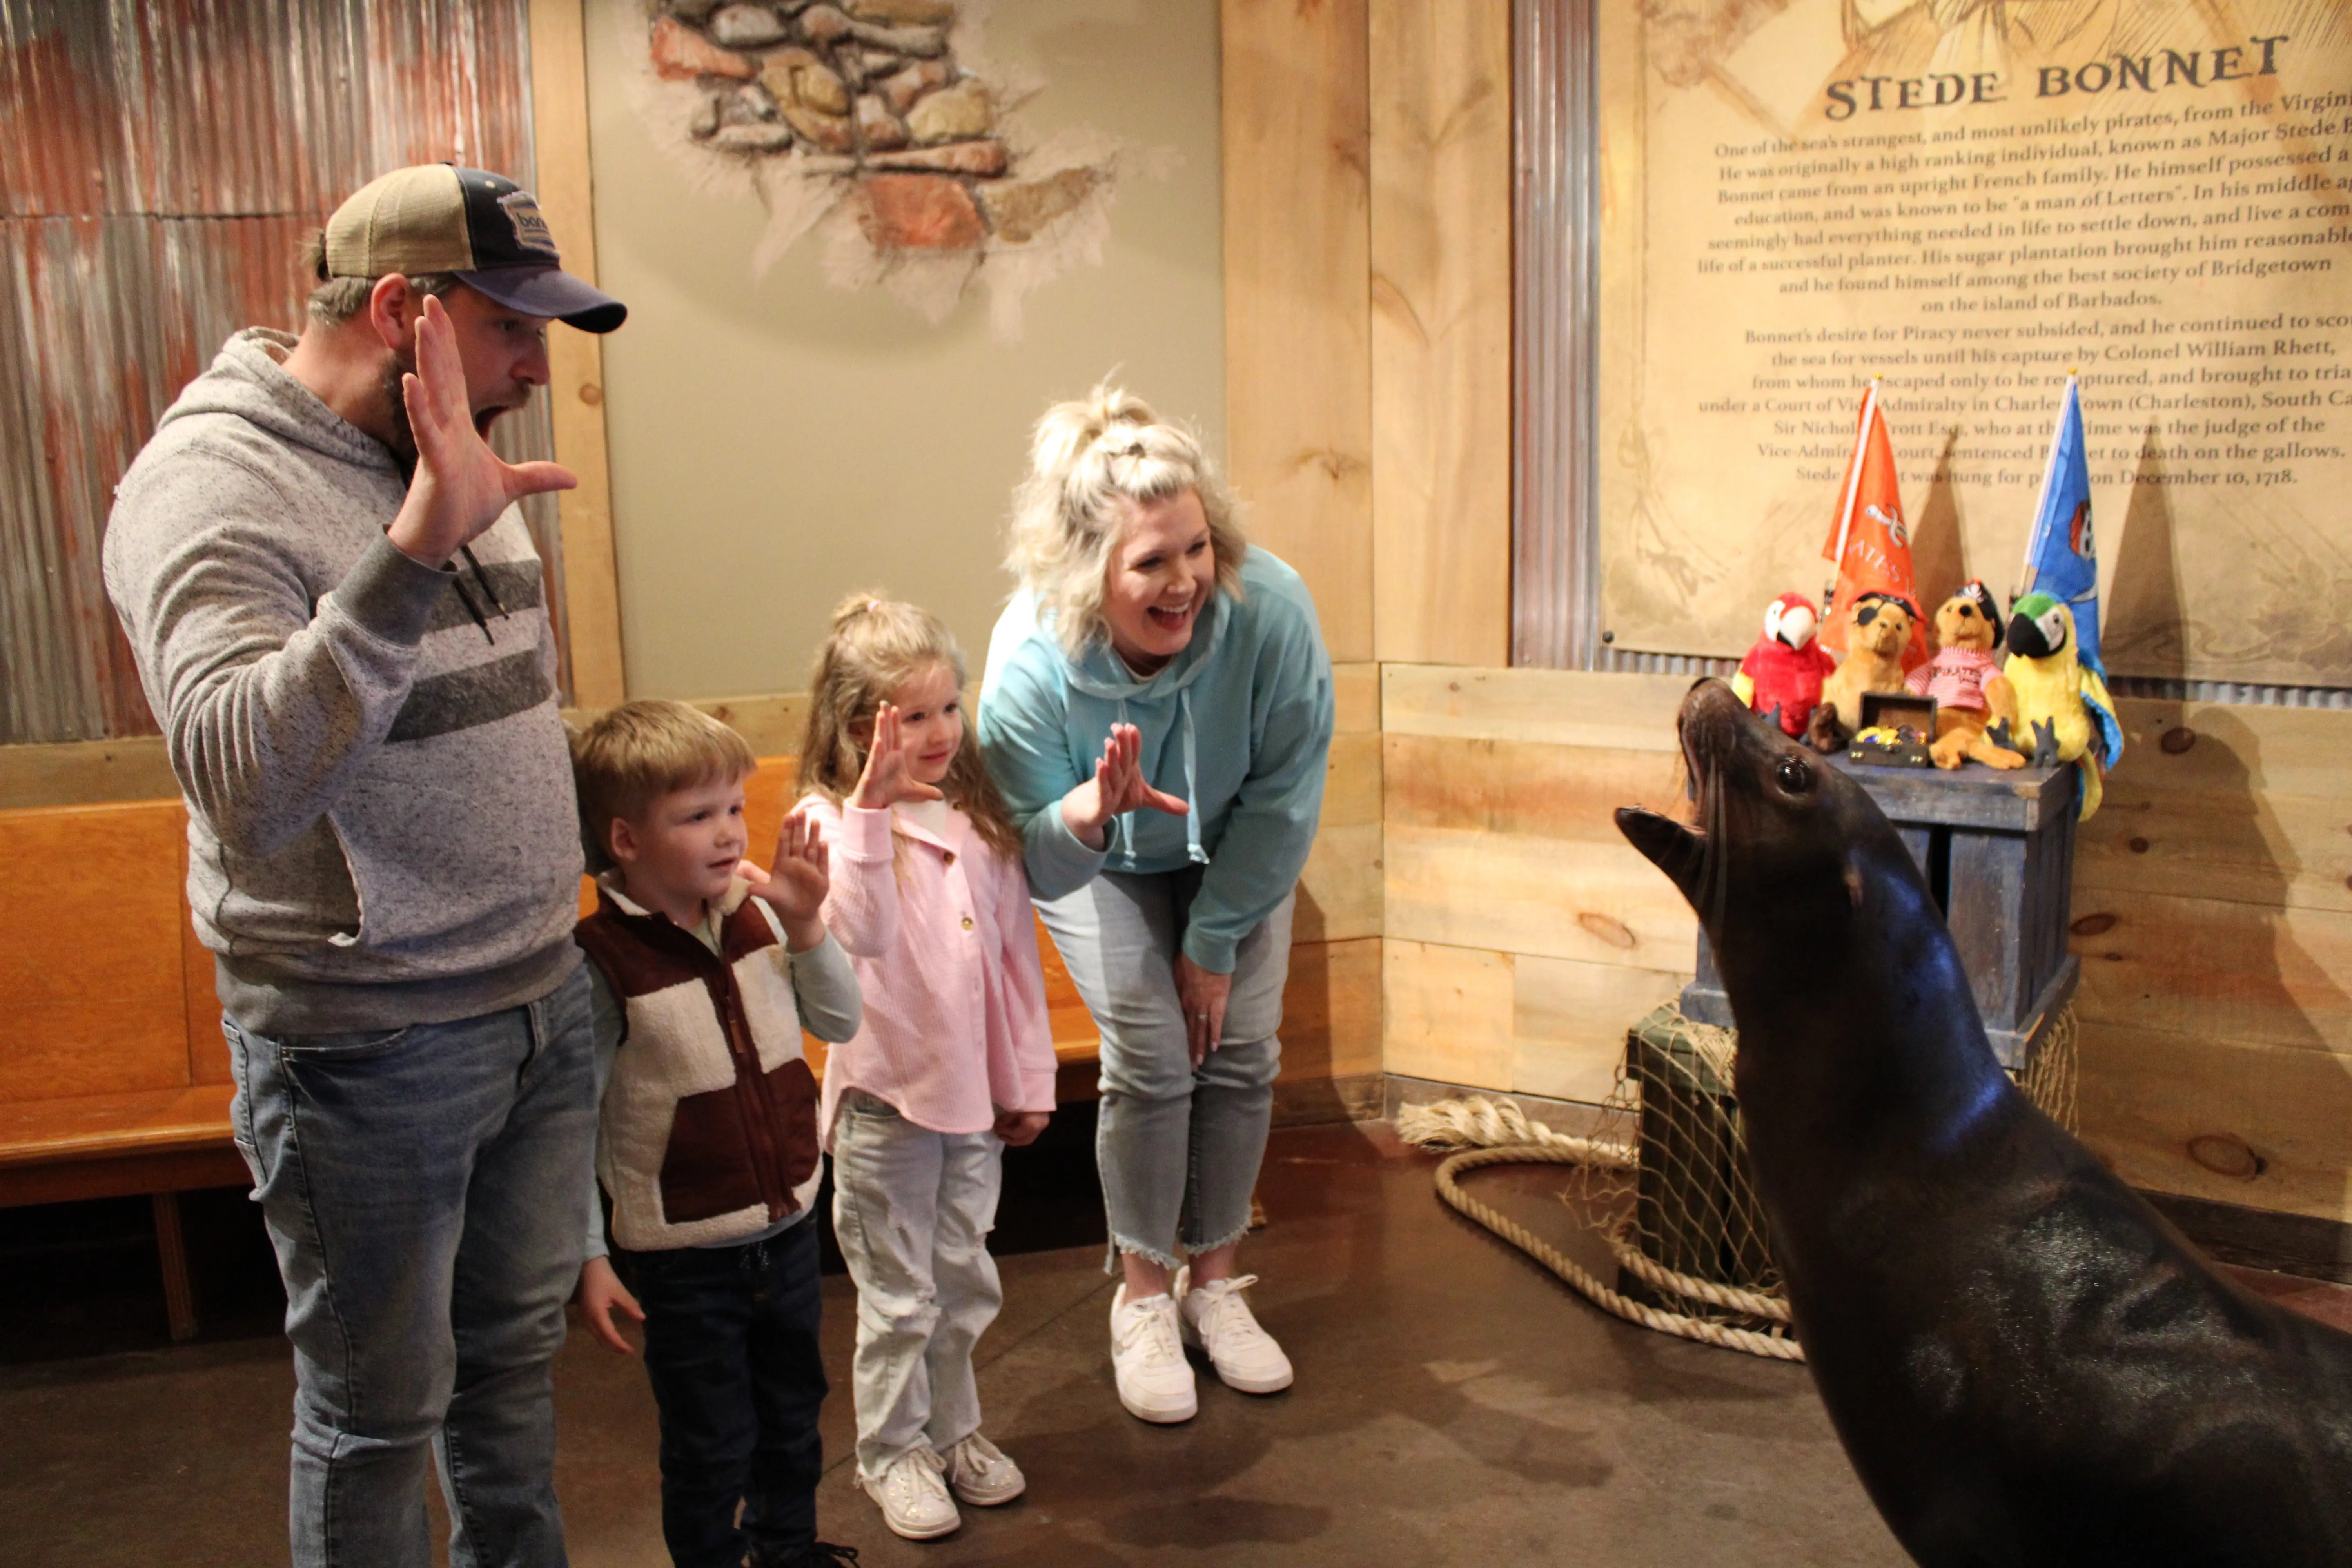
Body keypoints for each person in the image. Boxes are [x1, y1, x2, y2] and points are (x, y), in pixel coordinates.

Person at [102, 163, 625, 1568]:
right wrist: (408, 552)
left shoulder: (447, 440)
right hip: (372, 1043)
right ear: (401, 308)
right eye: (509, 324)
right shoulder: (207, 487)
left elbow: (489, 718)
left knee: (511, 1375)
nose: (535, 362)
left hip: (537, 1006)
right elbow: (244, 783)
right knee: (380, 1416)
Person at [978, 385, 1334, 1425]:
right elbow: (1036, 867)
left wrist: (1215, 941)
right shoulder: (1032, 666)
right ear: (1092, 571)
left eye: (1196, 549)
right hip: (1100, 864)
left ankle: (1216, 1284)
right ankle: (1143, 1296)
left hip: (1233, 848)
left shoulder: (1270, 612)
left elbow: (1284, 793)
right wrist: (1089, 812)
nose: (1184, 583)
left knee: (1241, 1045)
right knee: (1150, 1048)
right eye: (1151, 563)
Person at [570, 701, 864, 1568]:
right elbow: (571, 1121)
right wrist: (587, 1253)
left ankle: (789, 1549)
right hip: (685, 1256)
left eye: (735, 806)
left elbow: (839, 1020)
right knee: (710, 1442)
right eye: (697, 815)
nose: (729, 831)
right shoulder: (602, 961)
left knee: (792, 1415)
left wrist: (808, 924)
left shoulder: (763, 914)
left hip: (785, 1231)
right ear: (626, 838)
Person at [795, 596, 1058, 1540]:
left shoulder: (975, 818)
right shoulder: (826, 819)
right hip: (884, 1107)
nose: (941, 730)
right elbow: (852, 932)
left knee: (963, 1277)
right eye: (913, 715)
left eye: (950, 708)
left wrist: (1026, 1078)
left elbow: (1013, 962)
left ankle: (954, 1429)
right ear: (859, 724)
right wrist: (867, 813)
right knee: (899, 1294)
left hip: (970, 1107)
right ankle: (890, 1450)